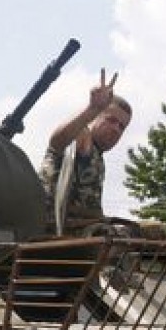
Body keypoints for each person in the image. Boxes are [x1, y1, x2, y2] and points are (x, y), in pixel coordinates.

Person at [39, 69, 131, 230]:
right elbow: (58, 141)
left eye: (121, 127)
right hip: (55, 231)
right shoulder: (83, 138)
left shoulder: (98, 157)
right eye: (111, 120)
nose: (116, 129)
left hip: (83, 229)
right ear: (96, 117)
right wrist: (92, 108)